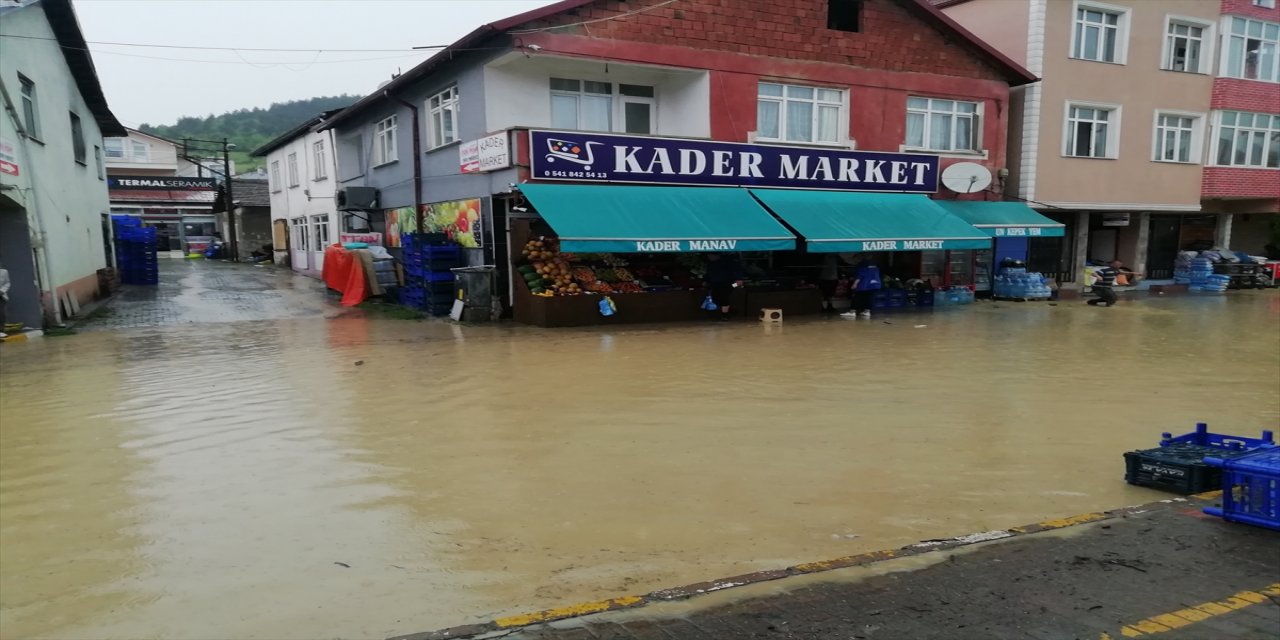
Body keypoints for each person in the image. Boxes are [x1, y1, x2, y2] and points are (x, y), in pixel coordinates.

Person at [704, 253, 743, 321]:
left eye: (711, 255)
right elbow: (708, 274)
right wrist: (706, 281)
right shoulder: (710, 264)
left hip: (729, 284)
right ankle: (728, 310)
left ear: (717, 255)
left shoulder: (727, 262)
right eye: (708, 256)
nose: (709, 257)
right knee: (715, 298)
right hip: (716, 284)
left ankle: (725, 315)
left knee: (724, 296)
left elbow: (736, 271)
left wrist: (738, 279)